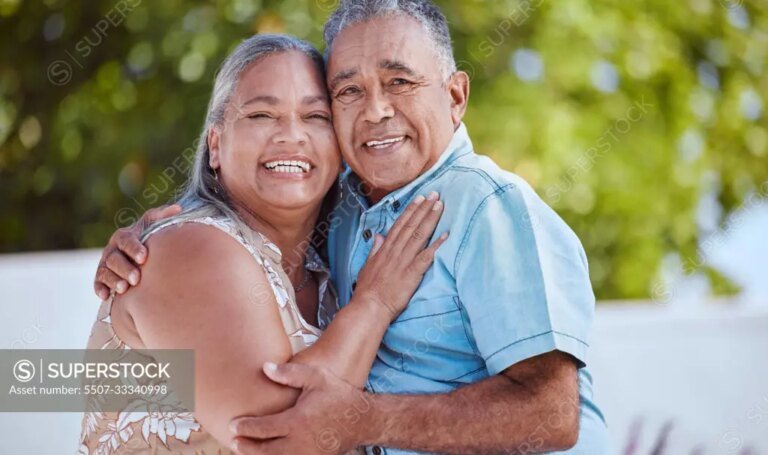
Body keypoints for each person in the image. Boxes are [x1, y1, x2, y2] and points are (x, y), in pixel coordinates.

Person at [96, 1, 610, 453]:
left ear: (455, 97)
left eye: (400, 82)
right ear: (214, 142)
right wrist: (161, 240)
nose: (376, 111)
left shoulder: (486, 206)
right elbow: (271, 434)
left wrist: (364, 420)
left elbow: (551, 412)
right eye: (347, 92)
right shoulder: (338, 213)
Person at [80, 34, 447, 454]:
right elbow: (277, 442)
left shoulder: (327, 268)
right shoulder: (189, 247)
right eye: (260, 115)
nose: (291, 135)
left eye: (316, 117)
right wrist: (376, 303)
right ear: (215, 145)